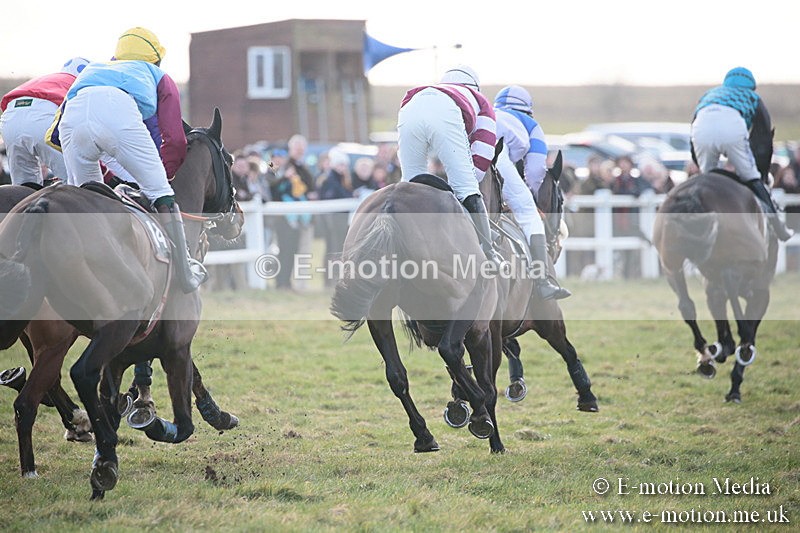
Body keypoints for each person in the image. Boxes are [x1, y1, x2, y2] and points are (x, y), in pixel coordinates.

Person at [49, 27, 206, 292]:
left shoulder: (93, 69)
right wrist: (165, 174)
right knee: (161, 193)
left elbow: (55, 132)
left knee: (86, 200)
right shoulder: (158, 75)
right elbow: (174, 138)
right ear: (156, 58)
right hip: (116, 112)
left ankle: (83, 275)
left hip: (72, 119)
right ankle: (185, 271)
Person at [397, 65, 503, 266]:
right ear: (475, 87)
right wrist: (460, 187)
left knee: (408, 186)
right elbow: (482, 160)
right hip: (445, 109)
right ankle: (490, 254)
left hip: (409, 106)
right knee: (467, 186)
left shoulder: (438, 89)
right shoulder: (480, 101)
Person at [691, 67, 793, 241]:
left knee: (708, 181)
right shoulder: (752, 97)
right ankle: (778, 227)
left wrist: (698, 163)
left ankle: (694, 223)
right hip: (732, 129)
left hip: (701, 130)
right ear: (751, 86)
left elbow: (693, 130)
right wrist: (760, 175)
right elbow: (764, 140)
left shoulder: (709, 95)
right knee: (751, 177)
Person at [493, 85, 570, 300]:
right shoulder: (531, 126)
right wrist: (531, 196)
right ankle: (542, 281)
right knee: (529, 214)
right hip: (496, 157)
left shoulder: (487, 115)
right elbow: (536, 172)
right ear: (527, 110)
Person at [0, 57, 90, 185]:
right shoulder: (82, 83)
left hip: (10, 119)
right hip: (43, 117)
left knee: (24, 185)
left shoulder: (46, 78)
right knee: (75, 182)